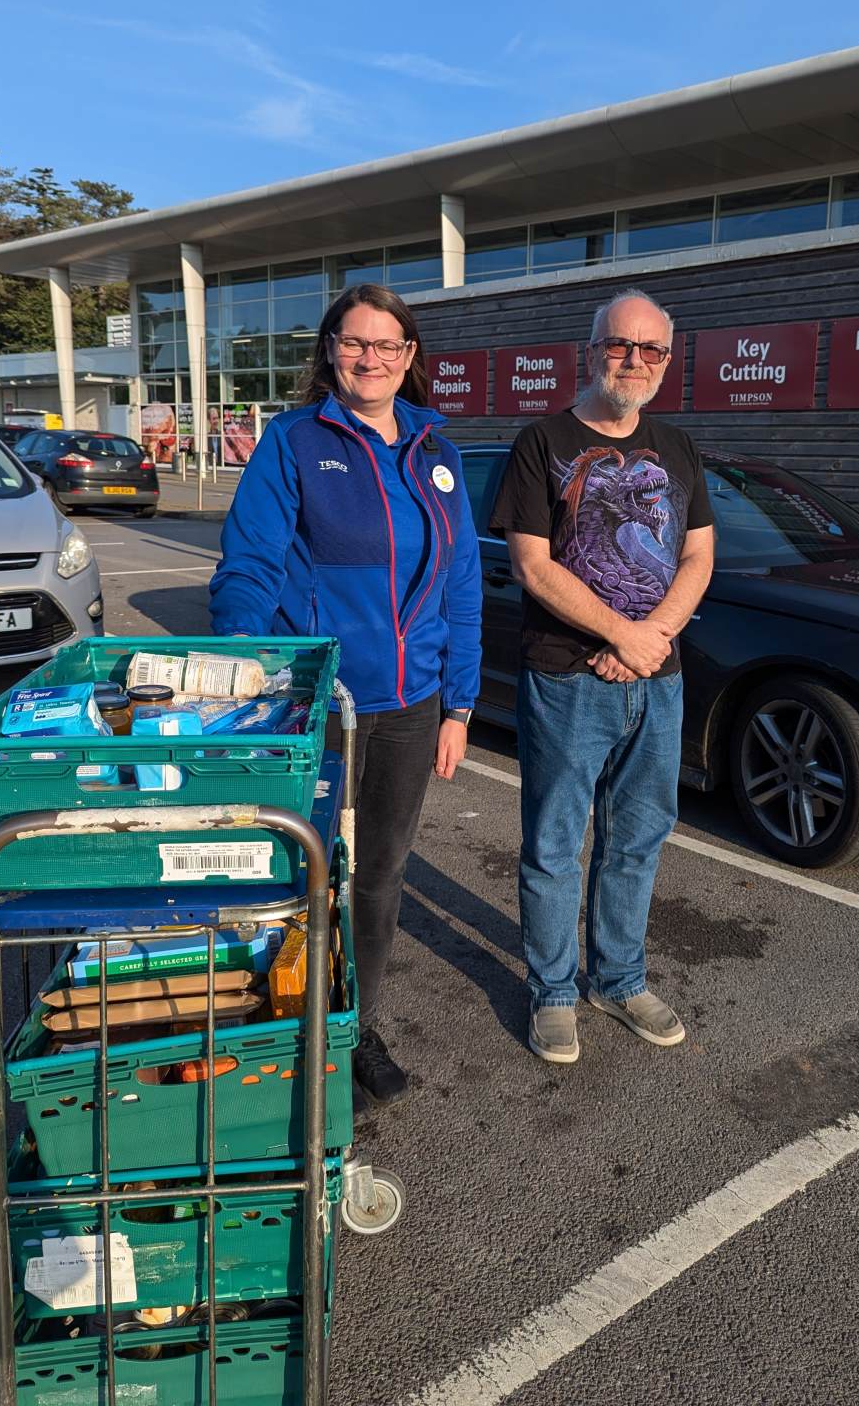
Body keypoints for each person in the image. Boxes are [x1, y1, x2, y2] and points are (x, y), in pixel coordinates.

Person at [210, 284, 482, 1106]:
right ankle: (283, 1024)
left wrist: (459, 706)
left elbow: (461, 584)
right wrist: (242, 664)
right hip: (320, 706)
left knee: (379, 875)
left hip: (409, 708)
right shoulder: (294, 440)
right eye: (354, 343)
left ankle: (353, 1025)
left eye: (387, 346)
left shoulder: (439, 452)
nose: (370, 359)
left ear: (410, 358)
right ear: (330, 351)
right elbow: (250, 564)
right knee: (299, 871)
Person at [489, 288, 715, 1064]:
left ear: (667, 359)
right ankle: (552, 991)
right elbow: (531, 563)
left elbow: (697, 555)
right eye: (622, 345)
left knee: (637, 840)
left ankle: (618, 981)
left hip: (659, 679)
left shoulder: (679, 445)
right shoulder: (540, 441)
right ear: (591, 351)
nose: (636, 360)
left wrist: (650, 640)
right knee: (555, 844)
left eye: (651, 349)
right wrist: (622, 633)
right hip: (566, 677)